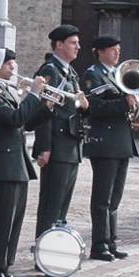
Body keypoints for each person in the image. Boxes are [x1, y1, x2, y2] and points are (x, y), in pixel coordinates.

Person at [0, 48, 50, 277]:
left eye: (14, 63)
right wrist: (33, 95)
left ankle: (6, 267)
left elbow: (26, 123)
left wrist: (45, 107)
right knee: (1, 222)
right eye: (8, 63)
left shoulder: (6, 91)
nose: (13, 68)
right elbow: (14, 119)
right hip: (4, 164)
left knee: (15, 221)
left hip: (18, 164)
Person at [81, 35, 139, 260]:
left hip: (121, 140)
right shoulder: (93, 74)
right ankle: (99, 244)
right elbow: (93, 107)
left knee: (115, 198)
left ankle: (111, 241)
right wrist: (123, 103)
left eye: (119, 49)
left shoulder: (117, 74)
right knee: (102, 198)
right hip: (105, 142)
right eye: (113, 50)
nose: (118, 53)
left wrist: (136, 113)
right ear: (101, 51)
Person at [32, 25, 90, 236]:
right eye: (73, 43)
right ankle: (43, 247)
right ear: (59, 44)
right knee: (51, 203)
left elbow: (70, 106)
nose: (78, 47)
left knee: (62, 205)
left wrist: (84, 106)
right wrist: (44, 146)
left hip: (71, 144)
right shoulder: (50, 71)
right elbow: (44, 112)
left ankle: (53, 246)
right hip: (57, 146)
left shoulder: (70, 72)